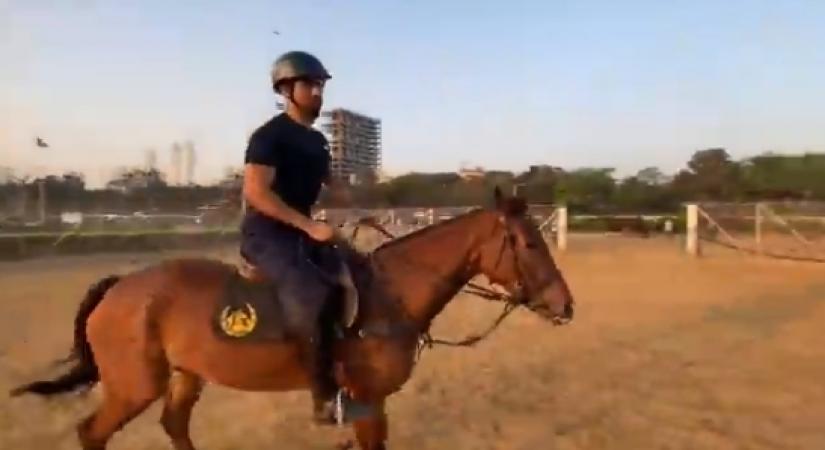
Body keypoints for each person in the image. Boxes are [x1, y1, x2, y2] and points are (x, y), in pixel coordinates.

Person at [240, 50, 359, 425]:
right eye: (310, 84)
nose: (318, 92)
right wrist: (310, 227)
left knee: (356, 273)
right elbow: (257, 193)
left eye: (320, 85)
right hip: (267, 234)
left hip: (301, 231)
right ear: (286, 89)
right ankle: (323, 399)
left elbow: (332, 186)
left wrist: (353, 207)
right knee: (313, 289)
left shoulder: (318, 143)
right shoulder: (269, 136)